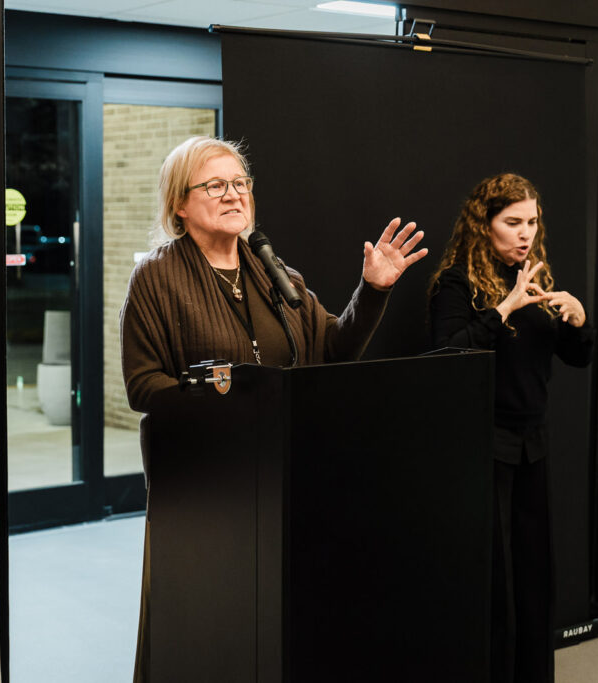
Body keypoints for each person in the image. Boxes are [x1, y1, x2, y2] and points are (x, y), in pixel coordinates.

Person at [120, 135, 428, 681]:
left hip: (279, 483)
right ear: (179, 204)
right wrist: (230, 395)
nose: (234, 194)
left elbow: (330, 348)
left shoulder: (271, 269)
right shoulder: (156, 279)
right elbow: (144, 387)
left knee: (269, 630)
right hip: (203, 493)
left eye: (241, 183)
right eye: (215, 185)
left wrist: (373, 289)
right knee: (206, 630)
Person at [428, 173, 593, 683]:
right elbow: (448, 355)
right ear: (486, 225)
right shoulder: (457, 282)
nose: (526, 233)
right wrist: (505, 307)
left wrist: (578, 321)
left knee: (534, 579)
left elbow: (577, 358)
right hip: (483, 449)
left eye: (532, 222)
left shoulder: (534, 275)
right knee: (495, 586)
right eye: (513, 222)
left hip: (532, 447)